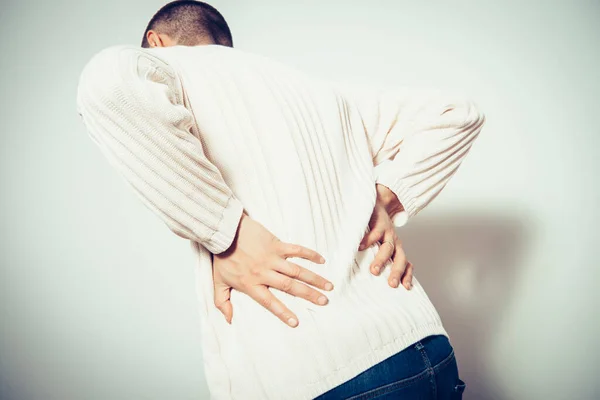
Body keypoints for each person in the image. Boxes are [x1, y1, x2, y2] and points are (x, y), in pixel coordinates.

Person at [76, 1, 486, 399]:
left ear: (157, 42)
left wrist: (227, 230)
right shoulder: (324, 93)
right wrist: (389, 192)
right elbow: (457, 112)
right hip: (424, 346)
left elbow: (108, 84)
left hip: (321, 374)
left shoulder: (168, 70)